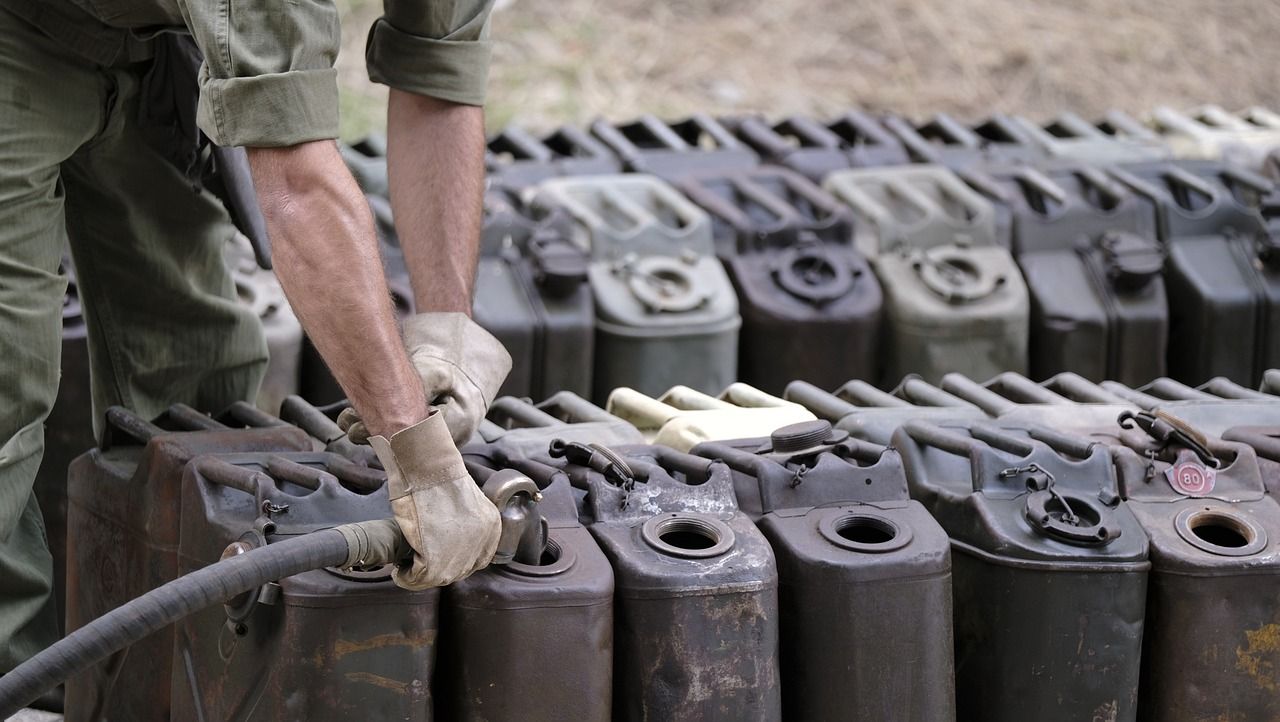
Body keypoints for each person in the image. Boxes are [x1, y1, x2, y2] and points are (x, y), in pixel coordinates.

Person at [0, 0, 511, 676]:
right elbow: (297, 186)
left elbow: (437, 75)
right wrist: (417, 455)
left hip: (157, 44)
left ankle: (163, 684)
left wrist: (445, 326)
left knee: (199, 389)